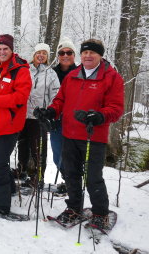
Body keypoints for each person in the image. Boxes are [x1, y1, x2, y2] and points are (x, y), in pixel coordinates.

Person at [35, 39, 124, 230]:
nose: (88, 56)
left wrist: (99, 116)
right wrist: (51, 111)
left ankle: (100, 213)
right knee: (72, 175)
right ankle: (74, 207)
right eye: (85, 53)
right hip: (70, 134)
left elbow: (116, 108)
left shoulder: (111, 77)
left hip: (94, 136)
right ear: (81, 55)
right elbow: (60, 100)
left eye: (93, 53)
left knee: (93, 177)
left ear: (100, 55)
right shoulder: (72, 76)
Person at [0, 34, 32, 214]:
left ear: (11, 50)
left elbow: (20, 97)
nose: (2, 52)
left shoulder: (20, 69)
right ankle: (8, 189)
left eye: (5, 49)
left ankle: (1, 205)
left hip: (8, 124)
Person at [16, 43, 60, 187]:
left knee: (38, 148)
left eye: (44, 53)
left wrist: (49, 112)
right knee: (22, 144)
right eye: (38, 53)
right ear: (34, 55)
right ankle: (21, 169)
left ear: (47, 57)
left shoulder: (51, 73)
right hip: (23, 115)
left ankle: (38, 176)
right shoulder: (25, 70)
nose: (41, 55)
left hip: (39, 117)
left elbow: (56, 95)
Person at [50, 37, 78, 192]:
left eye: (69, 52)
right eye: (62, 52)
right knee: (57, 155)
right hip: (56, 120)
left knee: (73, 155)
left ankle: (74, 184)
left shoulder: (81, 73)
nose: (65, 55)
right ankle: (67, 180)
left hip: (75, 121)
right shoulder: (51, 73)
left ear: (74, 55)